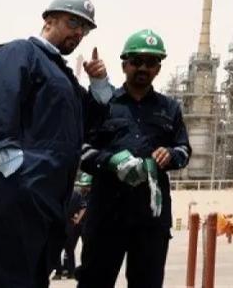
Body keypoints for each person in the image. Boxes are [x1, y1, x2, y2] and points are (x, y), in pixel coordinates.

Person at [0, 0, 113, 288]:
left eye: (85, 28)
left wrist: (99, 86)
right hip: (13, 189)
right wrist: (14, 170)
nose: (78, 33)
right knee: (5, 279)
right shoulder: (20, 53)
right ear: (49, 20)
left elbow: (89, 126)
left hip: (43, 195)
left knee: (31, 277)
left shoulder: (62, 76)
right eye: (72, 22)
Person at [78, 30, 190, 288]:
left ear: (158, 69)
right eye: (136, 61)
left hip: (150, 220)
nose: (143, 68)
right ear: (124, 64)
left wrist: (169, 155)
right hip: (107, 216)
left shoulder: (169, 108)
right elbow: (81, 149)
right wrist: (110, 162)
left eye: (150, 63)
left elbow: (184, 150)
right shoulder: (103, 104)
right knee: (94, 282)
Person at [54, 172, 92, 280]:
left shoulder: (65, 194)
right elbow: (83, 207)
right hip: (72, 225)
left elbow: (83, 208)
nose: (85, 188)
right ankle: (66, 270)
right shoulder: (77, 194)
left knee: (72, 249)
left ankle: (67, 271)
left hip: (78, 225)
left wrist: (77, 219)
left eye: (86, 186)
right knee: (69, 249)